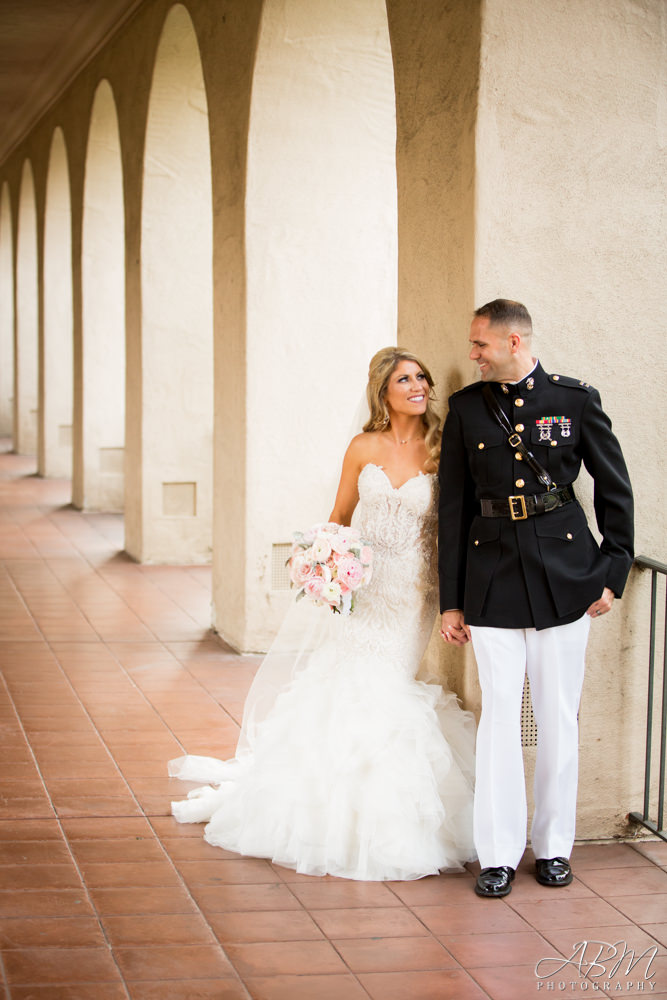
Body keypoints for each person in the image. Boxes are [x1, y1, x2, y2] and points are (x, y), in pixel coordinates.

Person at [169, 347, 476, 881]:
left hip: (412, 596)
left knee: (387, 683)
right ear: (384, 391)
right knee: (351, 681)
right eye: (405, 379)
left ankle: (383, 814)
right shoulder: (362, 447)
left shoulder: (441, 447)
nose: (418, 386)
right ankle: (333, 814)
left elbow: (452, 523)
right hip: (366, 590)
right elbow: (338, 517)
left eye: (422, 377)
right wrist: (324, 564)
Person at [438, 299, 633, 898]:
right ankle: (498, 853)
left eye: (480, 345)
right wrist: (452, 599)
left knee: (557, 717)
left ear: (515, 342)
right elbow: (453, 507)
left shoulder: (575, 400)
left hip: (565, 577)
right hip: (491, 578)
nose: (472, 355)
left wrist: (612, 571)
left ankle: (553, 847)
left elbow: (614, 486)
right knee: (500, 718)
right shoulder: (468, 409)